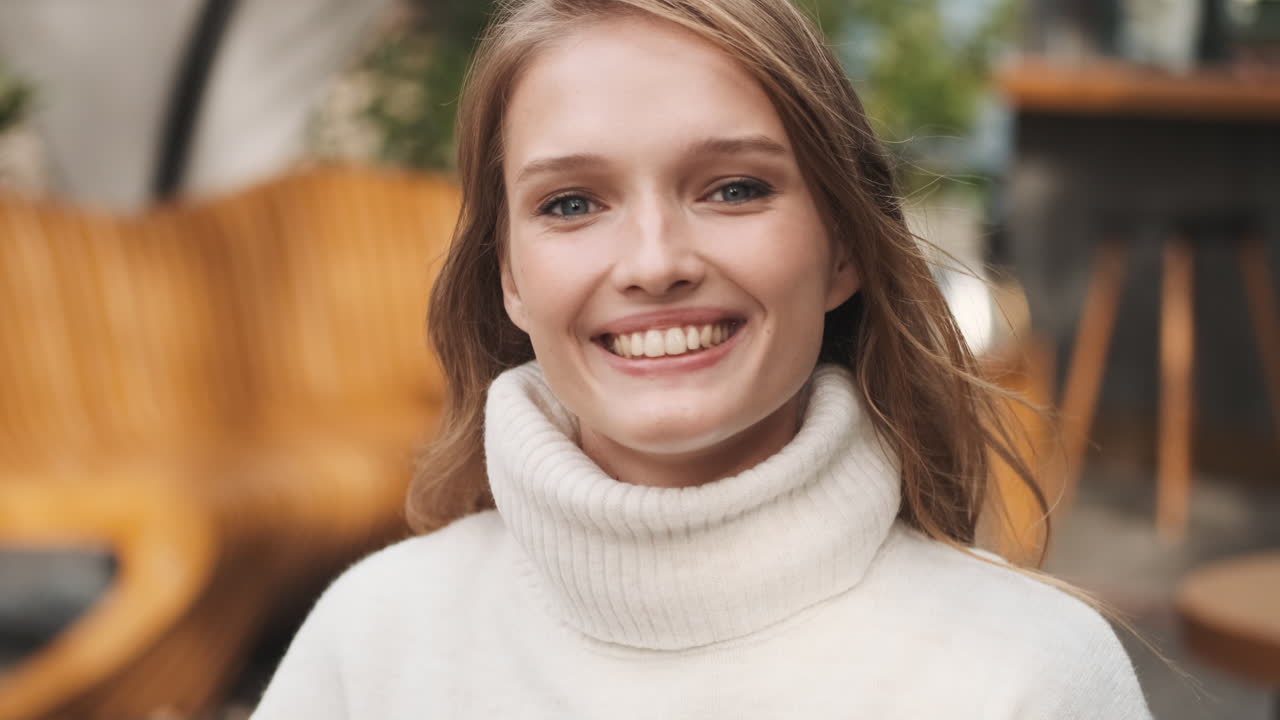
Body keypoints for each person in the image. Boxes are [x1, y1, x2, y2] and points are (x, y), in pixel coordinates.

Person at [252, 0, 1152, 717]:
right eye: (571, 203)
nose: (654, 263)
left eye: (734, 188)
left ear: (842, 247)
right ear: (508, 278)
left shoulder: (1030, 674)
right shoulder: (371, 640)